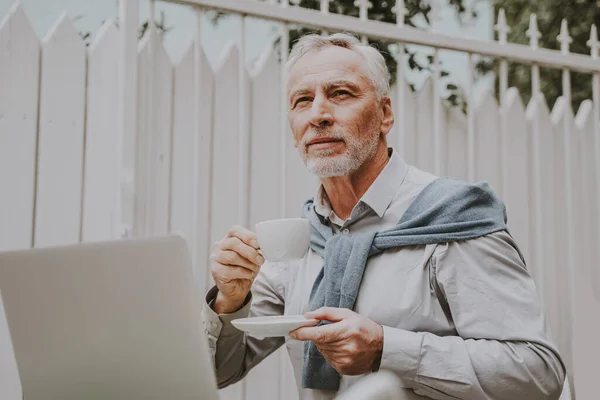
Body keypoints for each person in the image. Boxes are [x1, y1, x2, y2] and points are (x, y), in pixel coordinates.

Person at [201, 33, 566, 400]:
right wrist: (230, 301)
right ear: (294, 131)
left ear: (384, 114)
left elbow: (537, 373)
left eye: (340, 93)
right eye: (302, 101)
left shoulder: (451, 218)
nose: (319, 114)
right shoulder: (303, 240)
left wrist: (386, 348)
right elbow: (216, 372)